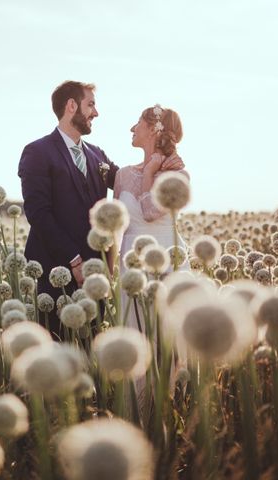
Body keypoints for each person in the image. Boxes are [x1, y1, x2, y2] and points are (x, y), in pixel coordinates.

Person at [18, 81, 118, 338]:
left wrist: (160, 161)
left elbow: (126, 182)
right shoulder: (37, 152)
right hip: (54, 274)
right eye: (91, 105)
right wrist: (73, 260)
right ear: (71, 106)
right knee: (55, 354)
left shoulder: (98, 155)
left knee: (90, 353)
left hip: (95, 275)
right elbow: (38, 213)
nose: (96, 113)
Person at [113, 104, 189, 421]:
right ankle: (135, 417)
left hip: (168, 263)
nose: (132, 128)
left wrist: (148, 172)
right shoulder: (120, 175)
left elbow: (148, 211)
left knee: (166, 345)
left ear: (154, 130)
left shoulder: (179, 174)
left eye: (138, 123)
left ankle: (168, 419)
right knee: (134, 343)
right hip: (130, 263)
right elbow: (116, 224)